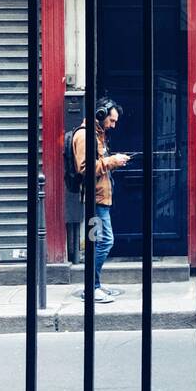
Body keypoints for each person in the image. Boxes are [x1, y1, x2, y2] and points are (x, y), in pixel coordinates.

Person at [71, 97, 130, 304]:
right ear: (101, 114)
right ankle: (91, 287)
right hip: (94, 202)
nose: (113, 125)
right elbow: (86, 169)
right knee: (105, 241)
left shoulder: (97, 135)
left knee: (96, 243)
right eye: (111, 121)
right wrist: (112, 161)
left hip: (100, 199)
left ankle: (94, 284)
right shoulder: (85, 136)